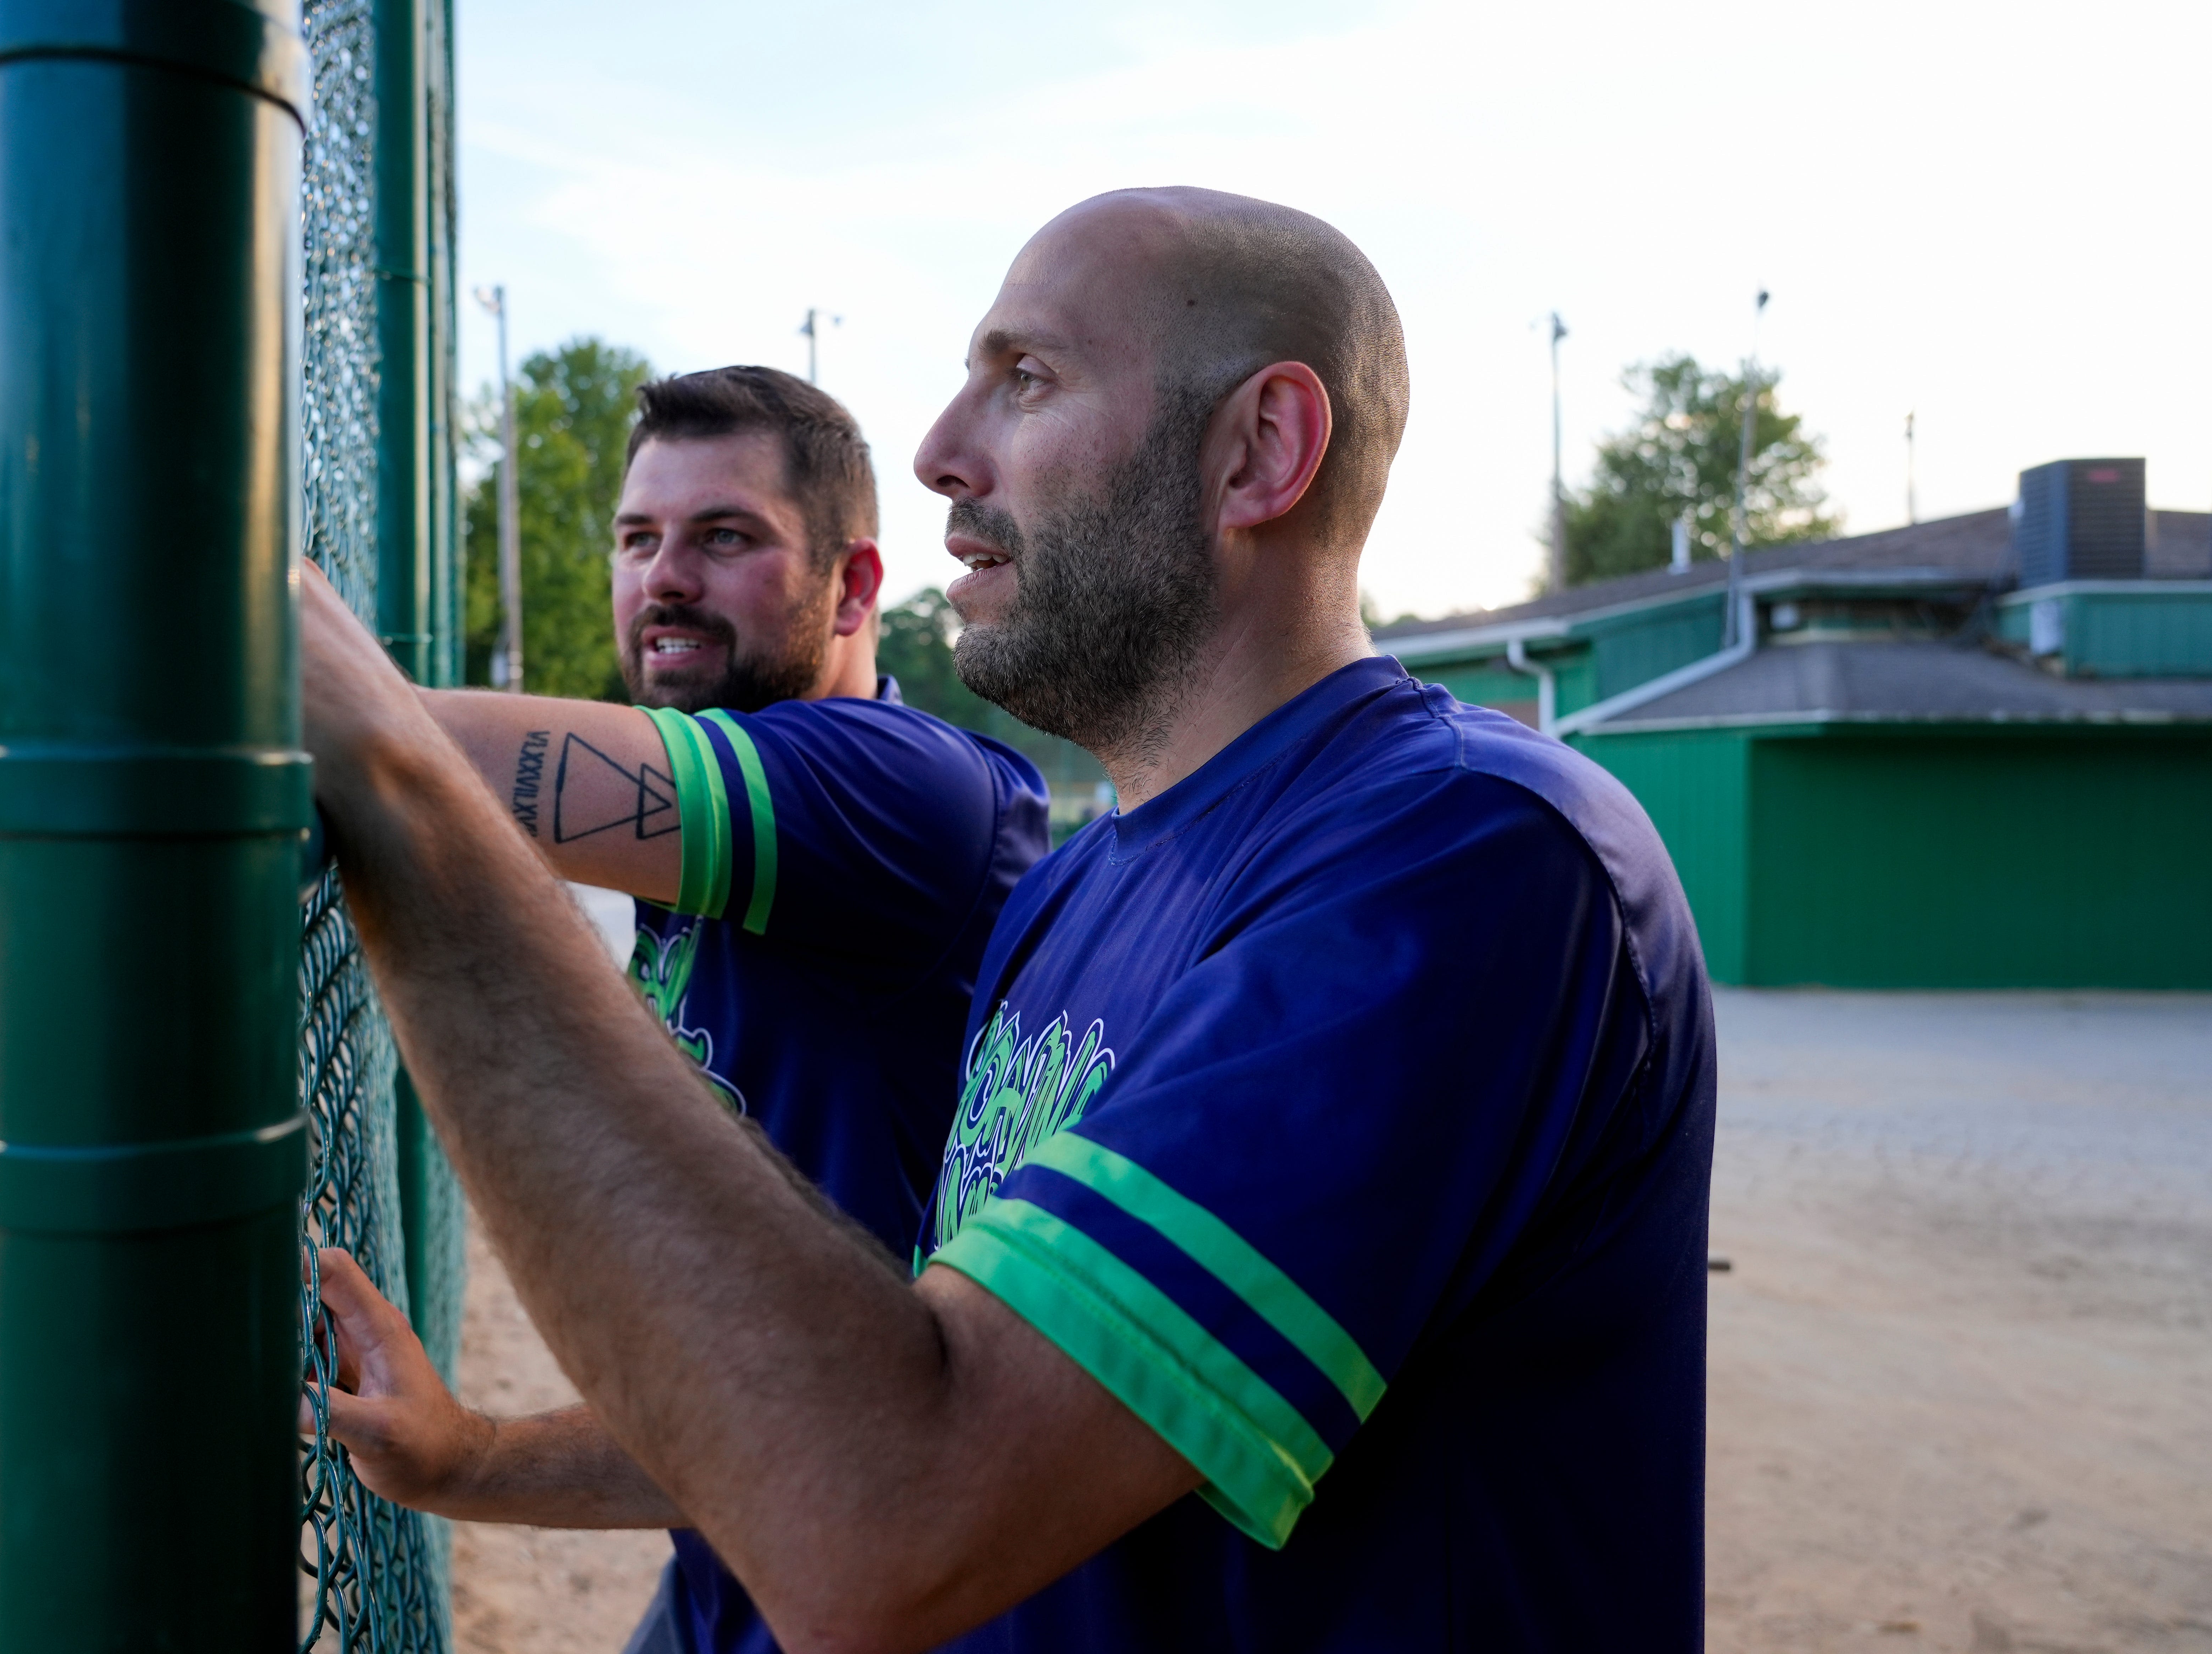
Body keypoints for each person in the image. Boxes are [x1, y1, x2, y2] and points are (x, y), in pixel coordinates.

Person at [303, 188, 1715, 1652]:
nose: (935, 453)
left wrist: (401, 790)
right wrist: (478, 1461)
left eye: (1025, 377)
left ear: (1261, 451)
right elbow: (904, 1378)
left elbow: (895, 1510)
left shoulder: (1468, 855)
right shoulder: (1071, 897)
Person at [304, 365, 1050, 1654]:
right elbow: (786, 1381)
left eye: (727, 538)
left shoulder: (903, 796)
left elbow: (387, 752)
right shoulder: (695, 865)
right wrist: (468, 1461)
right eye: (638, 538)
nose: (665, 579)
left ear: (857, 587)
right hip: (734, 1586)